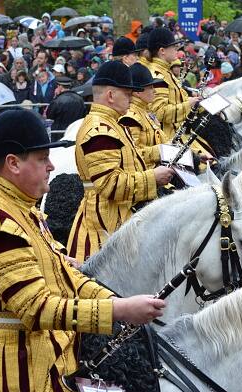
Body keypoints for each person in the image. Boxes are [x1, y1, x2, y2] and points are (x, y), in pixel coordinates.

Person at [0, 109, 166, 392]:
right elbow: (36, 308)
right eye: (42, 159)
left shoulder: (17, 206)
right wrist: (119, 309)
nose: (51, 166)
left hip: (36, 355)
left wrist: (115, 299)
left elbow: (63, 273)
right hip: (12, 369)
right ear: (13, 163)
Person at [67, 60, 174, 261]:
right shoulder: (99, 131)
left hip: (117, 217)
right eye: (127, 94)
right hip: (103, 224)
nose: (131, 99)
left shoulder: (111, 124)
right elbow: (111, 185)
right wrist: (153, 178)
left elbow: (132, 162)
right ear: (110, 95)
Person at [148, 27, 200, 140]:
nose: (176, 50)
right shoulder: (157, 75)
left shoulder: (165, 71)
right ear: (162, 51)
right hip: (169, 138)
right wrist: (189, 104)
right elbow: (159, 113)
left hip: (178, 132)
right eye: (173, 47)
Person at [119, 63, 166, 169]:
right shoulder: (130, 117)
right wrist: (162, 151)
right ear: (137, 92)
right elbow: (133, 153)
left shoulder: (145, 110)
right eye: (150, 87)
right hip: (149, 174)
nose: (154, 91)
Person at [46, 76, 86, 141]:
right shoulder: (80, 99)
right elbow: (84, 114)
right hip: (75, 133)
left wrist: (55, 97)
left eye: (57, 86)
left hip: (59, 134)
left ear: (60, 87)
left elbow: (50, 115)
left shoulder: (57, 100)